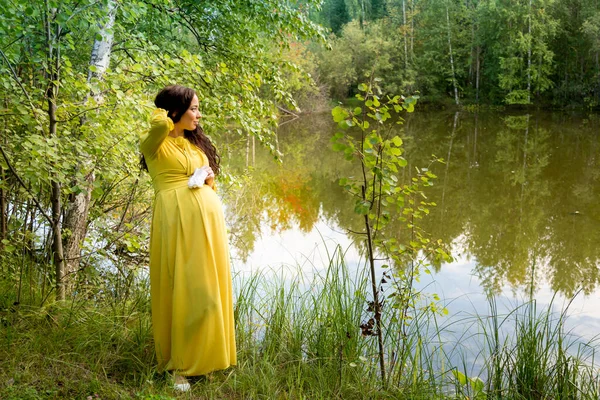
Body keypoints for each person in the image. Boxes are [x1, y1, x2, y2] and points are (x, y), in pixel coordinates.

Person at [139, 85, 236, 391]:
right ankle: (179, 367)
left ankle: (203, 359)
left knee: (207, 293)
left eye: (198, 108)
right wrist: (167, 113)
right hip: (176, 221)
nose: (198, 114)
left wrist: (209, 179)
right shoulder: (154, 143)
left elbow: (207, 181)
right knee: (182, 290)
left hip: (206, 226)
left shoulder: (194, 145)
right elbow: (158, 123)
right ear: (176, 111)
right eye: (193, 108)